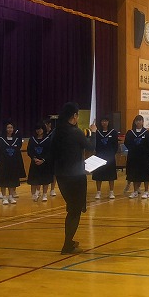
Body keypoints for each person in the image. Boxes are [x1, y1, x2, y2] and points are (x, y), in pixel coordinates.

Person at [52, 101, 94, 254]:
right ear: (74, 116)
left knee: (71, 208)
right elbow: (91, 146)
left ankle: (69, 242)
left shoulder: (56, 132)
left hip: (61, 176)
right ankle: (67, 245)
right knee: (75, 211)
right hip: (76, 176)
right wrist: (93, 133)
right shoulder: (76, 132)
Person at [0, 120, 25, 205]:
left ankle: (11, 197)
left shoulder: (17, 140)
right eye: (8, 127)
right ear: (5, 129)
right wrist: (0, 161)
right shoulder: (0, 140)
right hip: (3, 165)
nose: (10, 129)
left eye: (11, 127)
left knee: (12, 181)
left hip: (13, 164)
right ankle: (4, 197)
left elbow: (17, 152)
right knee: (3, 181)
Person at [125, 115, 149, 198]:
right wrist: (133, 150)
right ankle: (135, 191)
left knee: (145, 174)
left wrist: (145, 152)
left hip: (144, 157)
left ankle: (146, 191)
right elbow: (127, 143)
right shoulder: (130, 133)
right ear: (134, 122)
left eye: (140, 120)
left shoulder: (147, 133)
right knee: (134, 174)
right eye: (137, 120)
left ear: (143, 122)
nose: (138, 122)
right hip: (133, 157)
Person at [92, 115, 119, 200]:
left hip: (110, 157)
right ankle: (98, 192)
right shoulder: (97, 132)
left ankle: (111, 192)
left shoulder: (113, 132)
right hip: (99, 157)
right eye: (103, 121)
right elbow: (95, 144)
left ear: (108, 122)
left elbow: (115, 145)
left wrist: (112, 154)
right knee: (98, 175)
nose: (104, 123)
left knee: (111, 175)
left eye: (106, 121)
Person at [27, 122, 54, 202]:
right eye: (37, 129)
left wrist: (43, 160)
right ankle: (34, 194)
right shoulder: (32, 139)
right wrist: (34, 158)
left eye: (40, 129)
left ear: (43, 129)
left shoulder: (48, 140)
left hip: (45, 162)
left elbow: (50, 152)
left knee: (45, 179)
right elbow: (29, 150)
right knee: (34, 180)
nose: (39, 130)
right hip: (35, 162)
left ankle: (44, 194)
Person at [44, 118, 58, 197]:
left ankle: (52, 189)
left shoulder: (54, 132)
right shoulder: (42, 133)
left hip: (52, 155)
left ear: (49, 124)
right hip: (44, 155)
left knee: (53, 173)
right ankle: (42, 190)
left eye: (45, 124)